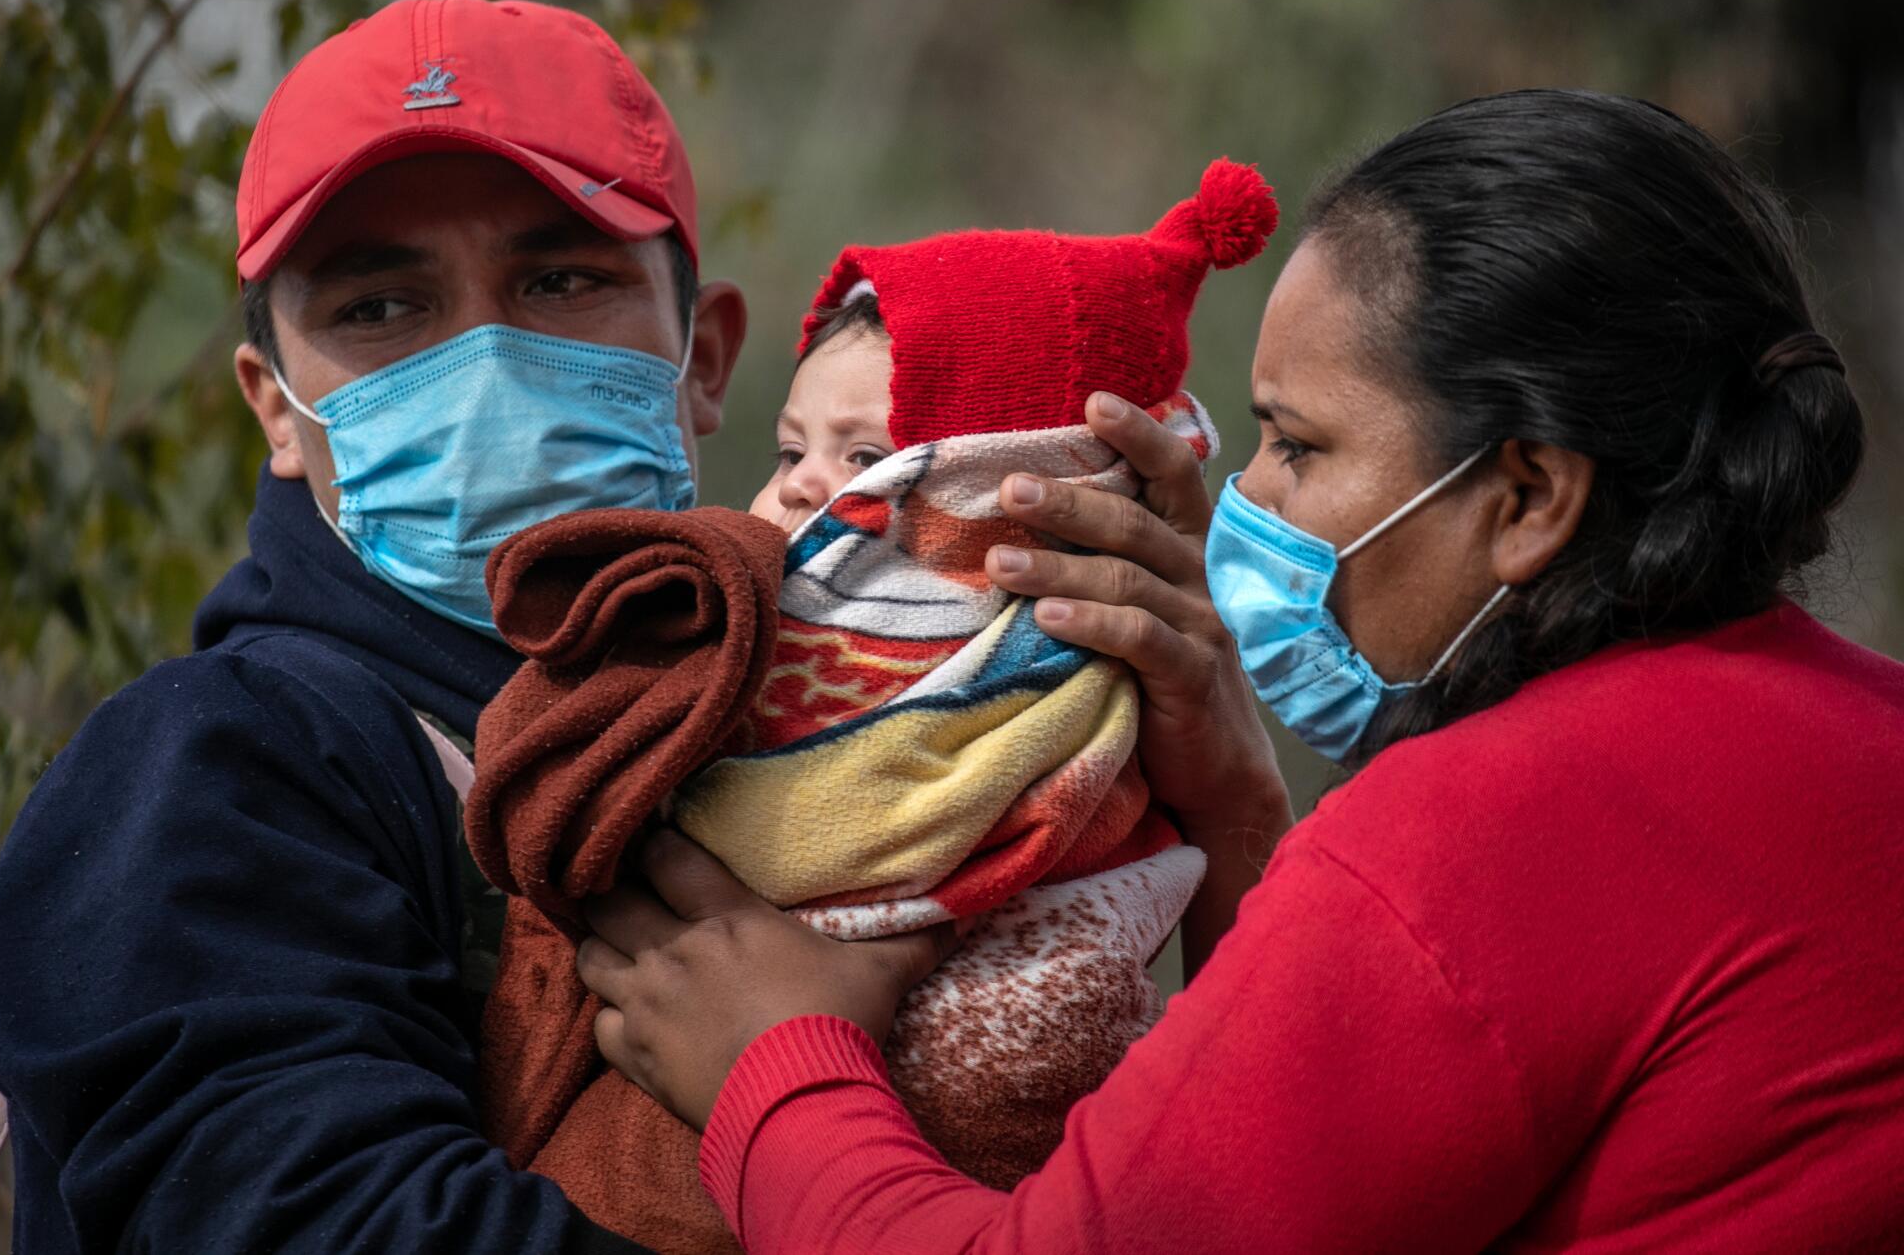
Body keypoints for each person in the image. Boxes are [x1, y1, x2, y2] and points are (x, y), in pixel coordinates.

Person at [0, 0, 1275, 1252]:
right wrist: (803, 1091)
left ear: (703, 363)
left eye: (561, 281)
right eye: (380, 307)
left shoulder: (835, 721)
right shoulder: (218, 770)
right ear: (277, 409)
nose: (484, 361)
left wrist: (1219, 804)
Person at [572, 89, 1904, 1252]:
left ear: (1531, 496)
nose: (1245, 501)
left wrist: (774, 1065)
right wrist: (1230, 819)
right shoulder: (1860, 730)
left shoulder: (1481, 838)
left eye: (1299, 446)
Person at [455, 165, 1278, 1253]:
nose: (799, 488)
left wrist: (1230, 812)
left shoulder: (1087, 727)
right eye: (791, 450)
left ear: (994, 495)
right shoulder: (721, 630)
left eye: (867, 459)